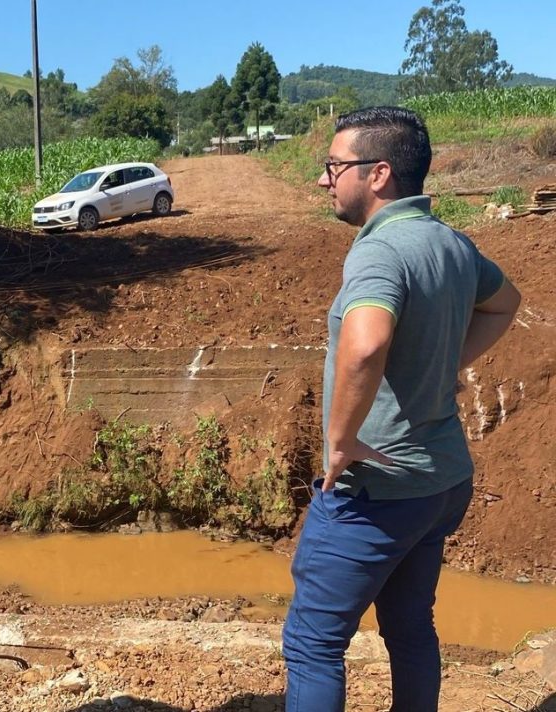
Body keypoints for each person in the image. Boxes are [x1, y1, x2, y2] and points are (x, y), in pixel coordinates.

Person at [281, 106, 521, 711]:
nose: (323, 179)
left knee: (313, 642)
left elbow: (365, 345)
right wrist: (444, 365)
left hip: (377, 490)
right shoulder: (452, 244)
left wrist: (340, 439)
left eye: (334, 166)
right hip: (441, 482)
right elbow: (505, 302)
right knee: (410, 626)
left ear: (379, 173)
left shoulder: (379, 251)